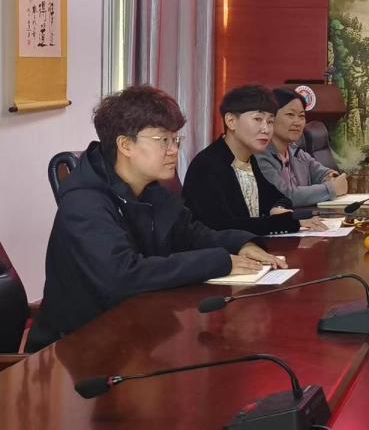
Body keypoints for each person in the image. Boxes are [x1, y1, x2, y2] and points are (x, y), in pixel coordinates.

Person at [27, 85, 285, 351]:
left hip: (135, 333)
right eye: (163, 140)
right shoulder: (84, 203)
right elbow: (122, 276)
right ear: (125, 145)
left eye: (176, 140)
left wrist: (242, 244)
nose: (174, 150)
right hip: (78, 347)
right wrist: (219, 262)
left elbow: (191, 234)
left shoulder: (150, 190)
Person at [183, 84, 327, 234]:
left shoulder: (249, 160)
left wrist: (277, 209)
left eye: (270, 121)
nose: (266, 129)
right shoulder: (207, 166)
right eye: (258, 119)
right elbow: (222, 227)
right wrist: (286, 222)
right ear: (231, 121)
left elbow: (278, 197)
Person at [255, 88, 348, 207]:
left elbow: (322, 173)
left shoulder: (296, 151)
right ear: (270, 118)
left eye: (301, 116)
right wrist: (331, 189)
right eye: (290, 115)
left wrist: (331, 177)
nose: (297, 122)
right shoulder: (259, 155)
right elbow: (285, 195)